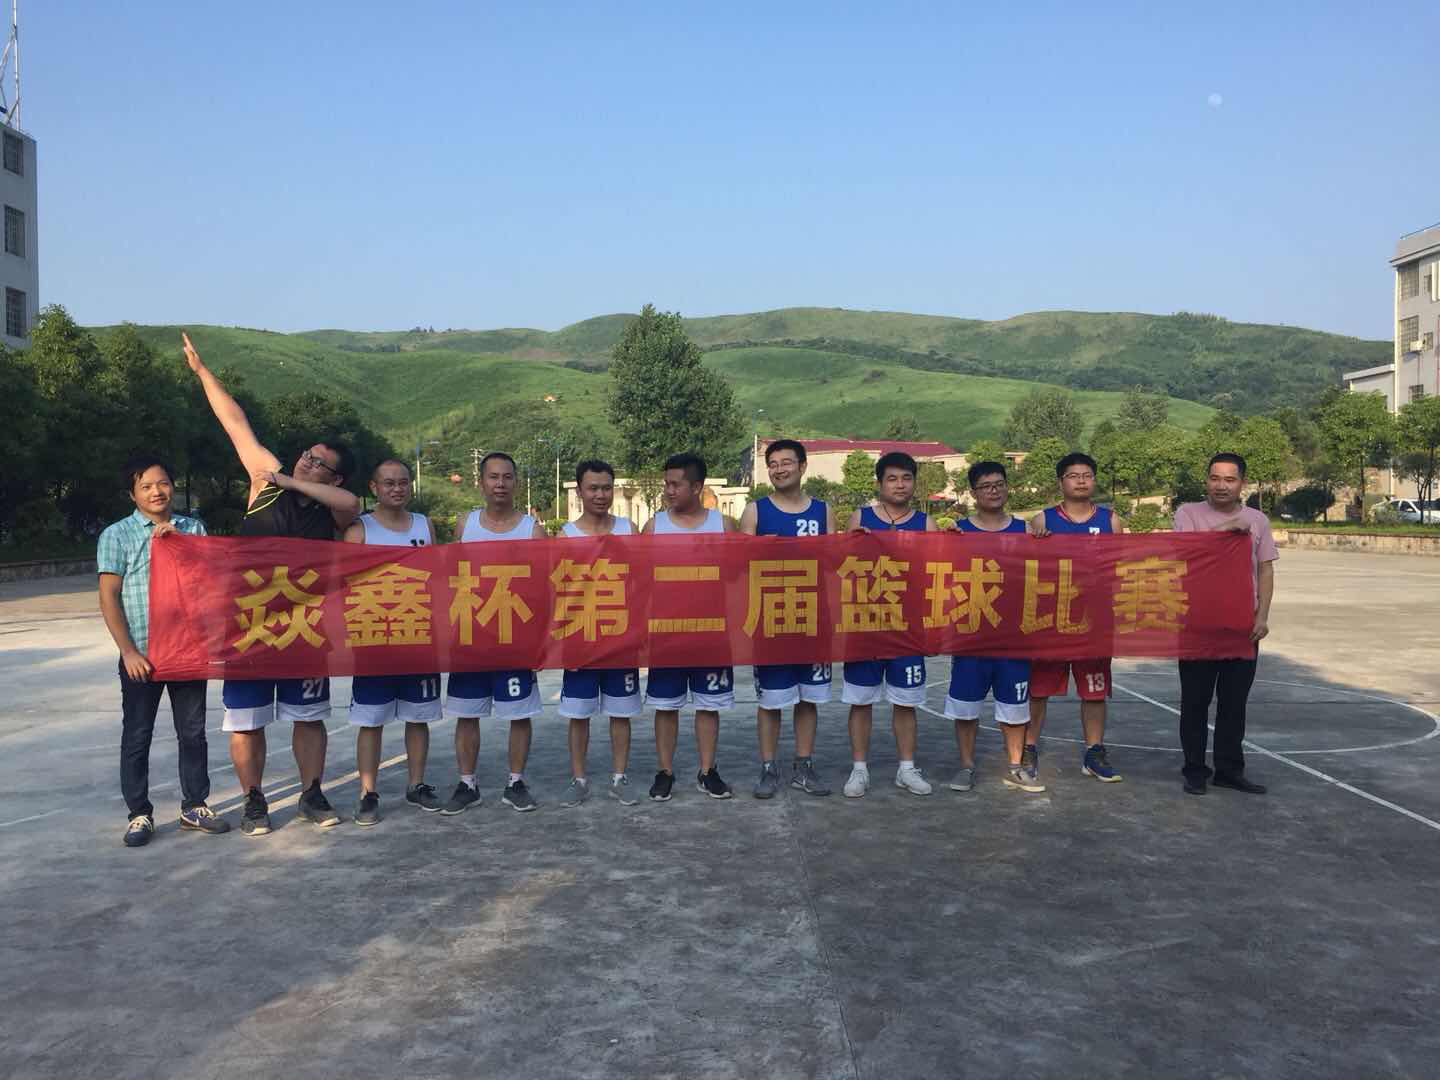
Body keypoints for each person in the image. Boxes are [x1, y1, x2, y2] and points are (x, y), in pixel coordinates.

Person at [182, 332, 360, 836]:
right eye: (307, 455)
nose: (307, 461)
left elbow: (350, 507)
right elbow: (234, 420)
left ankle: (311, 793)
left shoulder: (333, 506)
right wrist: (202, 373)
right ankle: (254, 799)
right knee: (247, 720)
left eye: (320, 463)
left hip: (303, 625)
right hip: (249, 623)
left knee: (309, 716)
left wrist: (292, 481)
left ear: (335, 478)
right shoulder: (265, 481)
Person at [97, 454, 229, 847]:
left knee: (193, 733)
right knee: (138, 735)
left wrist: (181, 548)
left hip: (187, 650)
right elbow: (109, 597)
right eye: (146, 486)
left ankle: (195, 805)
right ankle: (139, 814)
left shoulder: (193, 528)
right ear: (132, 494)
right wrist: (128, 652)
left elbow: (208, 584)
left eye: (163, 483)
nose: (157, 492)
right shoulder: (117, 535)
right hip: (143, 654)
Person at [442, 451, 549, 814]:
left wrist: (539, 639)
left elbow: (542, 587)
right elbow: (451, 578)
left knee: (519, 714)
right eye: (493, 477)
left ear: (516, 482)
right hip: (472, 636)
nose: (500, 484)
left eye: (507, 477)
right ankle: (467, 784)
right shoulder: (465, 525)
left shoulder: (532, 530)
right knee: (466, 713)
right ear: (481, 482)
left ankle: (515, 782)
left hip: (515, 638)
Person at [341, 460, 443, 825]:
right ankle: (368, 792)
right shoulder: (359, 530)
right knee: (372, 720)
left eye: (403, 482)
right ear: (374, 487)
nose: (397, 489)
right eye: (389, 483)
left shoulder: (424, 525)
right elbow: (346, 585)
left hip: (418, 635)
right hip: (374, 638)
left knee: (418, 716)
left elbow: (437, 576)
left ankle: (416, 784)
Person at [1173, 452, 1277, 796]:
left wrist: (1262, 615)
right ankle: (1195, 771)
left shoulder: (1257, 520)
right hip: (1197, 623)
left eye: (1229, 480)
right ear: (1206, 481)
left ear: (1241, 483)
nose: (1221, 486)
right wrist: (1225, 531)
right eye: (1215, 478)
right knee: (1195, 702)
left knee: (1234, 704)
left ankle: (1229, 770)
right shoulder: (1187, 513)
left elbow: (1265, 569)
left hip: (1241, 626)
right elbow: (1186, 554)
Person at [739, 438, 835, 798]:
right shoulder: (756, 511)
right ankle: (768, 767)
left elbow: (835, 561)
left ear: (803, 466)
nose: (779, 469)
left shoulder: (823, 511)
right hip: (771, 619)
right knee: (772, 701)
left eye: (786, 462)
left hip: (812, 617)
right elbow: (738, 565)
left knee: (808, 698)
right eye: (773, 464)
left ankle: (803, 765)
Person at [842, 451, 938, 798]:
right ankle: (859, 769)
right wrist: (851, 543)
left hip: (908, 628)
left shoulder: (926, 524)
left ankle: (906, 768)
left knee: (906, 702)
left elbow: (938, 572)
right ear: (879, 484)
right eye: (892, 478)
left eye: (906, 478)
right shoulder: (861, 517)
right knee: (861, 701)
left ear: (914, 483)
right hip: (865, 625)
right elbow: (842, 567)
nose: (900, 485)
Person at [1024, 452, 1124, 784]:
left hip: (1094, 621)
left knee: (1094, 689)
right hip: (1050, 620)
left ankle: (1094, 752)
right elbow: (1026, 567)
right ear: (1061, 482)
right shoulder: (1042, 519)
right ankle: (1028, 748)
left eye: (1087, 475)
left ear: (1094, 480)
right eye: (1073, 475)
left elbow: (1121, 568)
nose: (1081, 480)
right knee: (1038, 689)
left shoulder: (1111, 521)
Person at [641, 452, 735, 801]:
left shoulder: (723, 526)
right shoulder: (654, 527)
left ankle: (707, 771)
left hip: (712, 633)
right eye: (666, 484)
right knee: (666, 707)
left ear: (697, 487)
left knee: (709, 705)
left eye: (675, 484)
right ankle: (664, 772)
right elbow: (639, 581)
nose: (668, 490)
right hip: (667, 634)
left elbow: (740, 575)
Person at [946, 461, 1040, 793]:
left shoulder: (1026, 530)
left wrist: (1044, 542)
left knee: (1015, 709)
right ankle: (966, 766)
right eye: (986, 486)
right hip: (971, 634)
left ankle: (1015, 766)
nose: (994, 490)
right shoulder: (957, 533)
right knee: (966, 708)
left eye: (999, 484)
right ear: (973, 493)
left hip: (1014, 637)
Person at [556, 459, 641, 807]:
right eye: (593, 488)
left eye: (606, 487)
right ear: (579, 491)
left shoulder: (628, 529)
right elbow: (557, 590)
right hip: (581, 638)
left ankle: (620, 778)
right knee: (578, 715)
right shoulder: (565, 535)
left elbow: (640, 581)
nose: (600, 494)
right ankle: (579, 779)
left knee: (621, 713)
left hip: (620, 637)